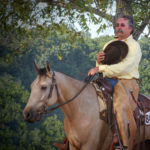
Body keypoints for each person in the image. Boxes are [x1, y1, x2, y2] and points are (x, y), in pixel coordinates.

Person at [88, 15, 142, 150]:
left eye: (122, 25)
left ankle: (123, 144)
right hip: (107, 80)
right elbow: (105, 65)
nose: (119, 28)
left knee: (119, 106)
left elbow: (125, 68)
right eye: (117, 25)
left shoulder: (134, 46)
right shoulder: (109, 44)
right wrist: (99, 61)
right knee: (86, 97)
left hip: (127, 82)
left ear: (130, 28)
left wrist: (100, 67)